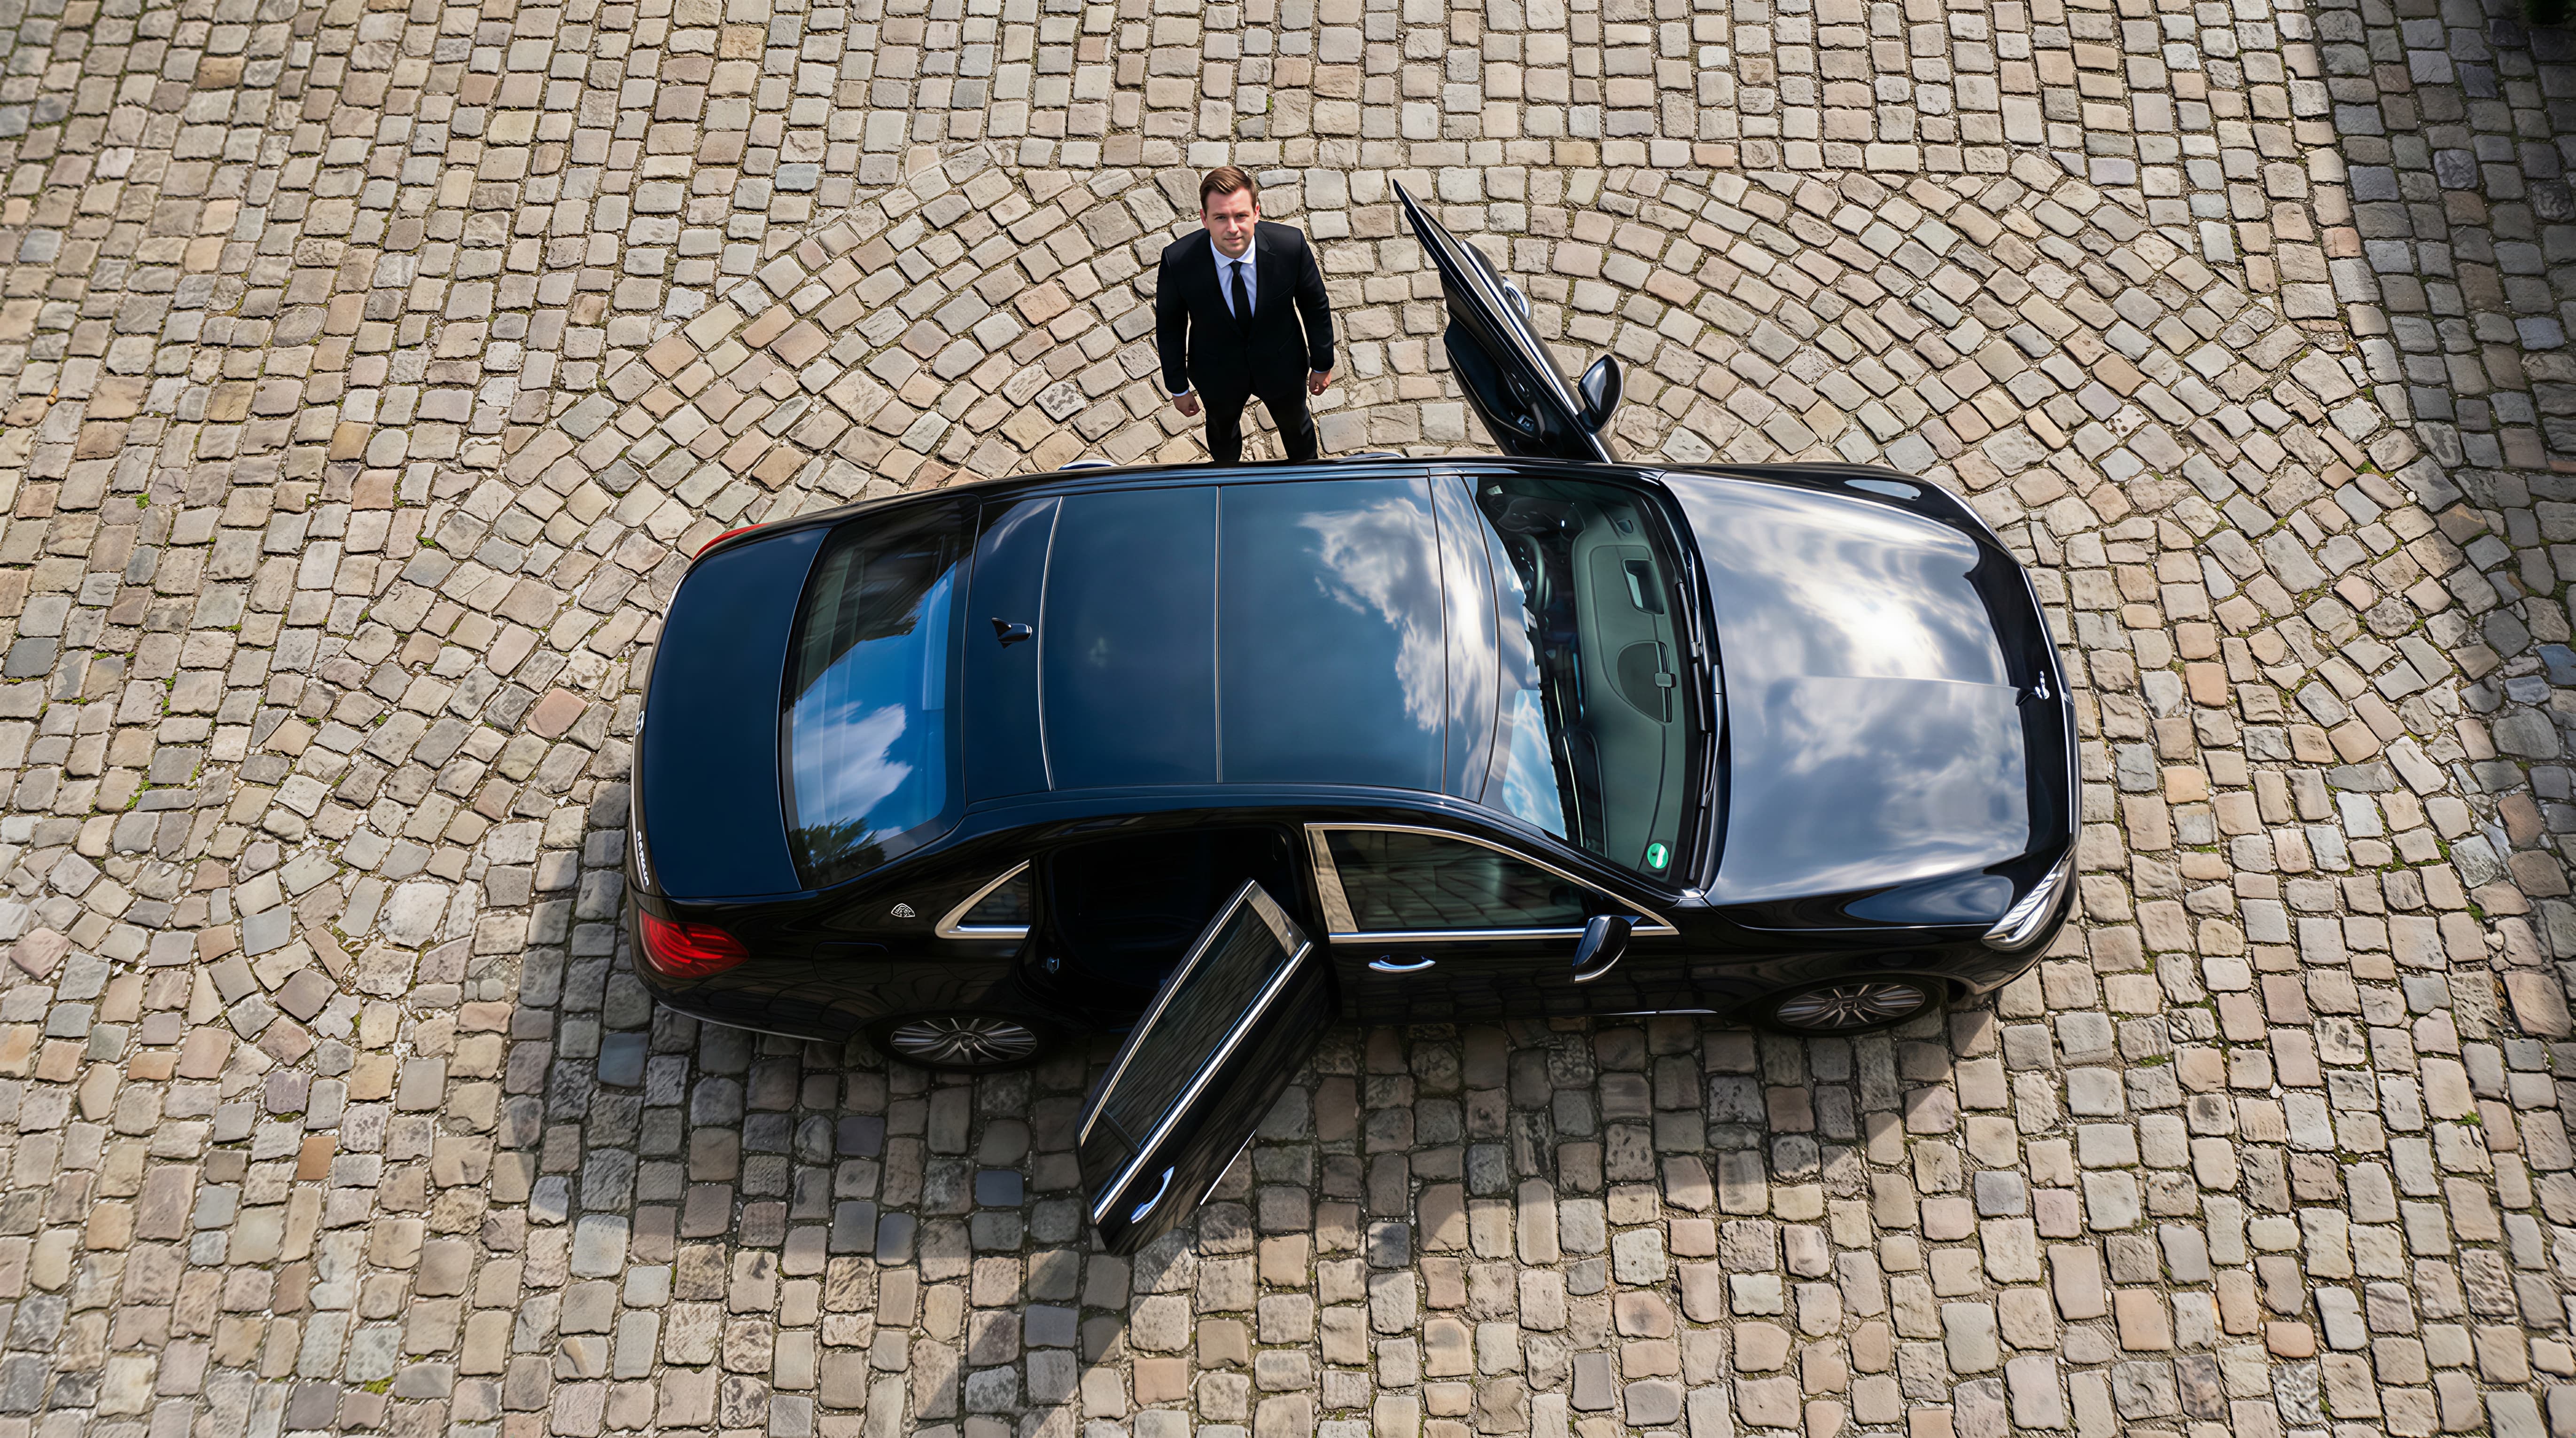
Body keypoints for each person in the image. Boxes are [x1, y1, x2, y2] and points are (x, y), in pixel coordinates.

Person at [1155, 167, 1337, 465]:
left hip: (1282, 364)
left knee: (1297, 429)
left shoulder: (1290, 246)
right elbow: (1170, 326)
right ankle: (1228, 487)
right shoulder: (1178, 261)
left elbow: (1314, 305)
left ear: (1256, 213)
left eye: (1240, 216)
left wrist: (1322, 362)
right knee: (1222, 434)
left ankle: (1309, 484)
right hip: (1217, 372)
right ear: (1204, 218)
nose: (1233, 228)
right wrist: (1177, 386)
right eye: (1221, 218)